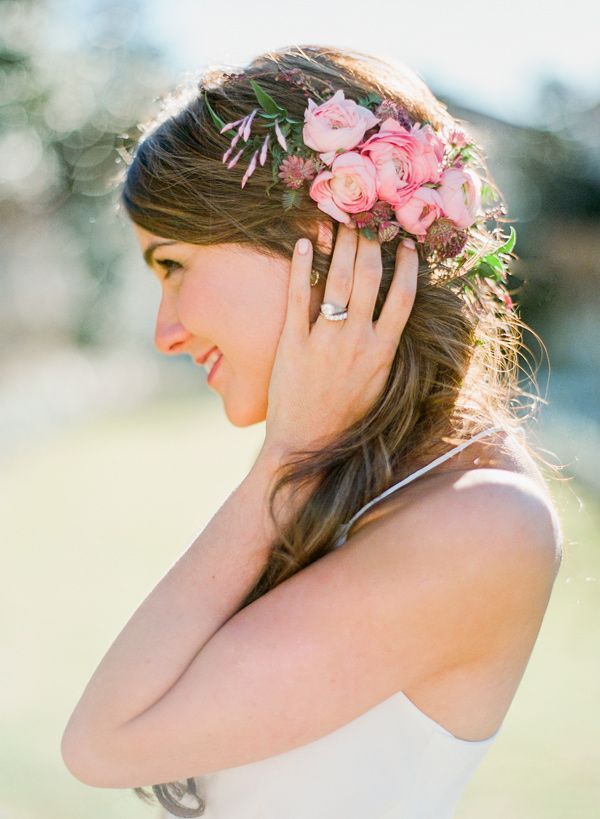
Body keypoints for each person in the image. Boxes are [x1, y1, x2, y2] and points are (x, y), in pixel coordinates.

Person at [60, 45, 563, 818]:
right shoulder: (362, 479)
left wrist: (284, 459)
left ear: (316, 235)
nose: (165, 329)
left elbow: (101, 743)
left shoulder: (485, 520)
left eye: (173, 266)